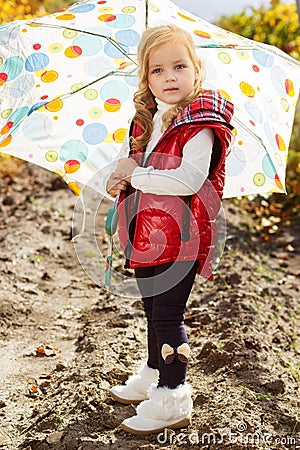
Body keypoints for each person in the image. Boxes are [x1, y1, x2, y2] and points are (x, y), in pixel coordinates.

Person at [106, 24, 234, 435]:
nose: (170, 77)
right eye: (157, 70)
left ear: (197, 68)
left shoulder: (199, 124)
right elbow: (137, 170)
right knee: (151, 311)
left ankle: (173, 395)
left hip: (182, 236)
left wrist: (138, 174)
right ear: (146, 79)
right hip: (147, 234)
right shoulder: (149, 122)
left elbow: (187, 180)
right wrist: (121, 176)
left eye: (179, 66)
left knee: (168, 312)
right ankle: (152, 374)